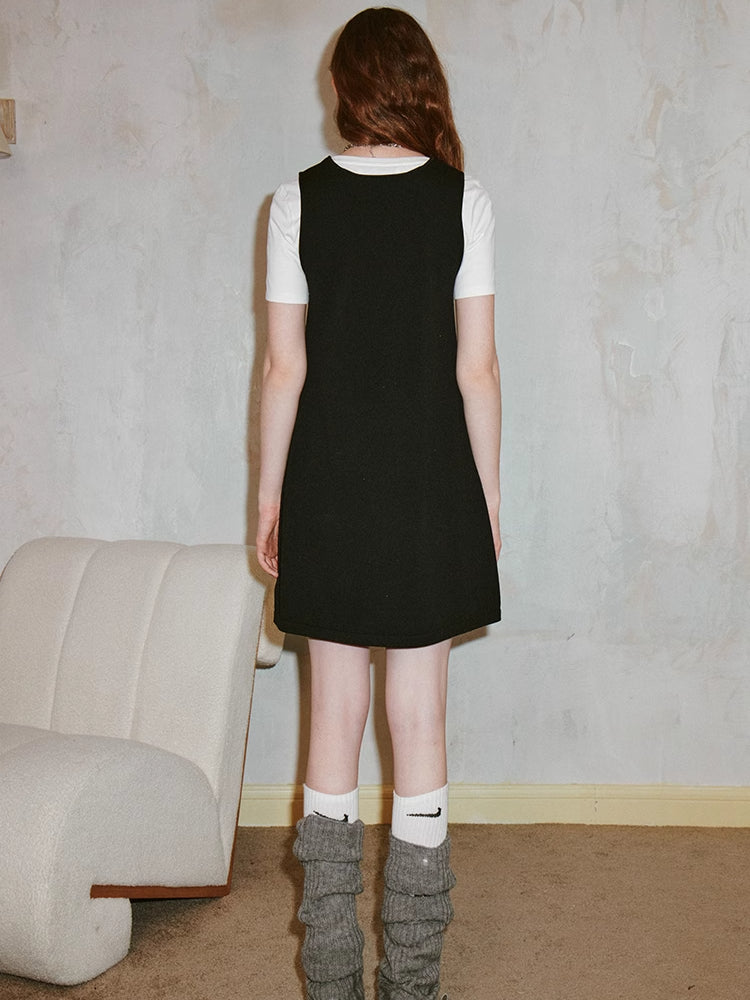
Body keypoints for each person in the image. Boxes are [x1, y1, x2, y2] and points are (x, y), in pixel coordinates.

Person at [256, 8, 501, 999]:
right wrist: (487, 502)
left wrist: (269, 497)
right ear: (421, 83)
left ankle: (330, 981)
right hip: (430, 489)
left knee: (332, 718)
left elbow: (285, 368)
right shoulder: (463, 200)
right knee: (421, 722)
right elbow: (478, 371)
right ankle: (413, 984)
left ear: (345, 89)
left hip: (327, 488)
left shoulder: (295, 201)